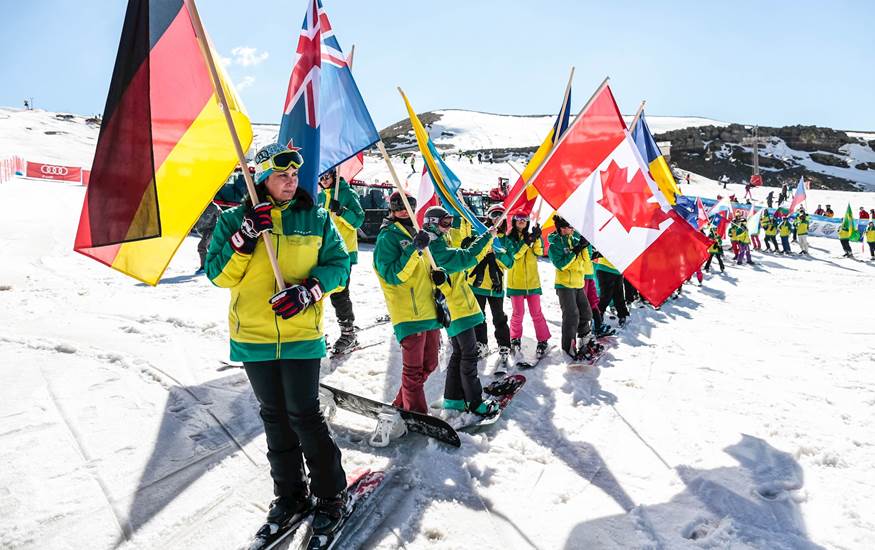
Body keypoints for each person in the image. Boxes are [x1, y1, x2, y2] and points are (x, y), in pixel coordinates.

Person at [205, 143, 349, 537]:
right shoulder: (233, 219)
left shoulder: (315, 217)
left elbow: (340, 266)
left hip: (301, 334)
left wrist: (311, 291)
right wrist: (245, 237)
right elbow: (219, 275)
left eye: (294, 175)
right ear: (262, 177)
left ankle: (332, 493)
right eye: (282, 175)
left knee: (304, 414)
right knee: (274, 417)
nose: (291, 182)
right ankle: (290, 495)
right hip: (254, 335)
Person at [372, 191, 442, 444]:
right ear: (390, 208)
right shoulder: (388, 237)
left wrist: (437, 276)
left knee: (430, 364)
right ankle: (417, 415)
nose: (403, 210)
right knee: (413, 371)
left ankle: (399, 405)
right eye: (397, 205)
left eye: (408, 205)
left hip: (428, 311)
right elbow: (393, 276)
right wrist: (415, 250)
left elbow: (420, 272)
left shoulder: (415, 234)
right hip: (408, 313)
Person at [422, 206, 500, 417]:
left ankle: (453, 398)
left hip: (456, 306)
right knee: (469, 354)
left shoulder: (437, 243)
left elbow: (462, 254)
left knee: (459, 353)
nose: (448, 227)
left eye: (450, 222)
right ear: (431, 223)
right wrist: (487, 237)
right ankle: (475, 402)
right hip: (456, 307)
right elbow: (466, 258)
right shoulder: (434, 249)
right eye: (444, 223)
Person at [317, 169, 365, 354]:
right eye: (321, 178)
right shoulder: (321, 197)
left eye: (327, 176)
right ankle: (317, 331)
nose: (324, 180)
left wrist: (342, 211)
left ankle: (348, 333)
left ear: (334, 176)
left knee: (339, 293)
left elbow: (358, 221)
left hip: (343, 252)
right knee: (317, 291)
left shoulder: (347, 193)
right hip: (321, 251)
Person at [547, 216, 600, 361]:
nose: (572, 229)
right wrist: (575, 251)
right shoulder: (555, 245)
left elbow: (585, 259)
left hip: (578, 284)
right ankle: (568, 346)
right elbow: (561, 265)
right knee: (571, 316)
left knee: (586, 312)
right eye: (569, 227)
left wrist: (585, 245)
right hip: (565, 285)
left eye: (572, 227)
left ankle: (585, 340)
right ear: (562, 228)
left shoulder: (574, 240)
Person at [469, 205, 514, 363]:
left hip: (496, 286)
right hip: (477, 284)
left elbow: (509, 263)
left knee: (499, 317)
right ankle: (481, 343)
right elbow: (471, 254)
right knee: (478, 316)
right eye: (494, 214)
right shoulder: (479, 233)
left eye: (501, 215)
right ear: (488, 216)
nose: (497, 218)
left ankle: (504, 344)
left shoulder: (505, 240)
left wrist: (497, 255)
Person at [505, 210, 550, 357]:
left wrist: (536, 238)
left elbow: (539, 252)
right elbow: (515, 255)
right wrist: (527, 241)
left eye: (524, 219)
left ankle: (543, 340)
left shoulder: (530, 236)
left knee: (536, 312)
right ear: (514, 221)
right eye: (518, 219)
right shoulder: (508, 238)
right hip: (516, 283)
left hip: (532, 283)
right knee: (518, 313)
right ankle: (515, 338)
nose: (522, 221)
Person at [593, 247, 630, 327]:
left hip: (618, 269)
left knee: (619, 295)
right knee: (606, 296)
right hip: (605, 268)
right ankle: (596, 320)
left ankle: (623, 315)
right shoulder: (607, 237)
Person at [194, 201, 221, 273]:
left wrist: (219, 229)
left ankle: (204, 268)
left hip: (210, 230)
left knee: (201, 246)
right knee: (211, 248)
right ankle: (216, 266)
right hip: (201, 230)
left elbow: (222, 217)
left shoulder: (214, 207)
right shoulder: (198, 204)